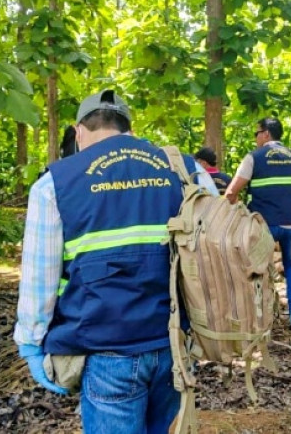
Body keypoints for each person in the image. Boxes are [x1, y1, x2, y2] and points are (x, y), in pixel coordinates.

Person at [14, 89, 183, 433]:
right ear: (128, 130)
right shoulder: (180, 171)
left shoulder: (55, 184)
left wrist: (30, 341)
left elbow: (40, 274)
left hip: (106, 350)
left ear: (78, 132)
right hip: (173, 345)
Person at [224, 117, 291, 310]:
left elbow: (231, 193)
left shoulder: (254, 157)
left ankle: (262, 314)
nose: (256, 138)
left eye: (257, 134)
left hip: (264, 225)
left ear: (266, 134)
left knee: (258, 269)